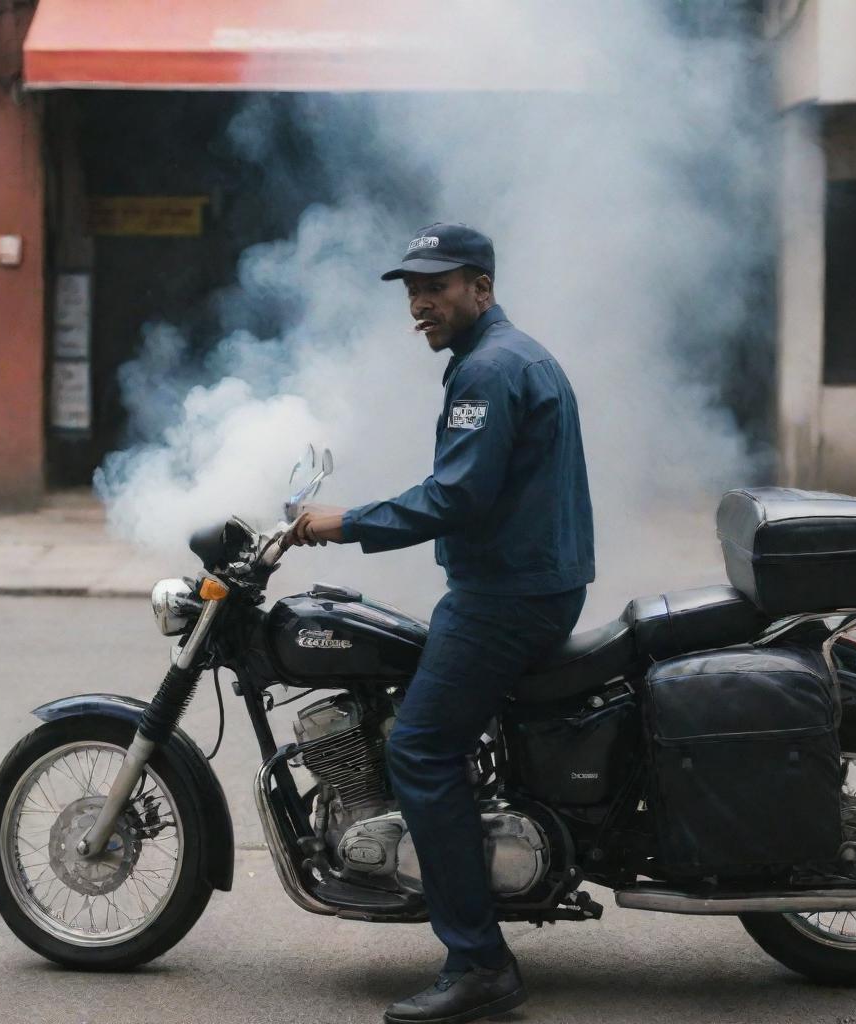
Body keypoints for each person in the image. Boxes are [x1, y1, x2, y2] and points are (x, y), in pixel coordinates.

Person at [286, 222, 595, 1024]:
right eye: (412, 290)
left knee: (419, 748)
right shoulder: (505, 356)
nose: (420, 303)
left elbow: (457, 495)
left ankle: (480, 963)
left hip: (507, 595)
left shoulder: (488, 371)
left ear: (481, 289)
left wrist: (342, 522)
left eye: (437, 287)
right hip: (522, 583)